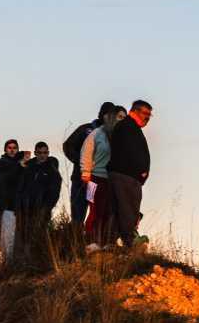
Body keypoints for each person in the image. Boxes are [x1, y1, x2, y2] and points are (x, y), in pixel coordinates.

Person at [63, 101, 116, 229]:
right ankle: (76, 243)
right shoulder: (85, 129)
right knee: (78, 214)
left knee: (97, 213)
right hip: (81, 179)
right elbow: (68, 146)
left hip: (100, 180)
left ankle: (92, 243)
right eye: (107, 114)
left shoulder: (113, 133)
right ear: (102, 115)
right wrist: (80, 162)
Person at [81, 105, 127, 251]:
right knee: (95, 210)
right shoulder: (96, 134)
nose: (121, 120)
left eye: (124, 118)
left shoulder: (122, 136)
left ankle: (108, 242)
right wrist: (85, 172)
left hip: (114, 179)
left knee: (111, 211)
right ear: (111, 117)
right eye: (119, 117)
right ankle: (92, 242)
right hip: (95, 177)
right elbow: (86, 152)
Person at [108, 100, 153, 248]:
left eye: (149, 115)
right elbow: (130, 151)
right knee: (128, 210)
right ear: (134, 111)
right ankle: (130, 243)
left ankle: (114, 242)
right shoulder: (127, 127)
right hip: (126, 176)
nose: (147, 118)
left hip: (127, 176)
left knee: (124, 210)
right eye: (145, 113)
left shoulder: (129, 127)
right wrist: (140, 172)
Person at [15, 141, 62, 263]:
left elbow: (54, 191)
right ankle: (25, 263)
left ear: (48, 153)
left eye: (45, 152)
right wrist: (19, 205)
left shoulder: (51, 169)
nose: (42, 155)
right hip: (26, 208)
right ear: (35, 153)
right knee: (24, 237)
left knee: (40, 234)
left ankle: (40, 261)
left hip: (42, 208)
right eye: (40, 152)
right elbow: (20, 187)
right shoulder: (28, 167)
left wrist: (47, 207)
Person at [0, 139, 27, 261]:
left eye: (14, 147)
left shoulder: (24, 166)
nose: (12, 150)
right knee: (7, 241)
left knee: (22, 241)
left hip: (23, 209)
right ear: (5, 149)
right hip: (7, 208)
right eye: (9, 147)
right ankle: (7, 266)